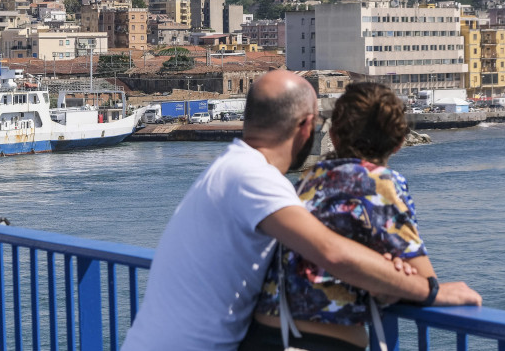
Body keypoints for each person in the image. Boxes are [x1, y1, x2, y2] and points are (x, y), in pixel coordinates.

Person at [121, 71, 480, 351]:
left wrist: (382, 274)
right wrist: (428, 291)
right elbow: (331, 252)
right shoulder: (254, 178)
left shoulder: (248, 172)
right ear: (306, 127)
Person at [242, 81, 476, 350]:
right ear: (399, 143)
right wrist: (389, 273)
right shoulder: (380, 183)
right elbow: (424, 281)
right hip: (319, 343)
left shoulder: (309, 181)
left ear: (336, 136)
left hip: (262, 335)